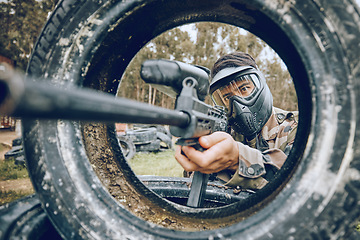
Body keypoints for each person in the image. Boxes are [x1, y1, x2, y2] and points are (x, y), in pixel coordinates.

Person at [175, 52, 298, 190]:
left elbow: (297, 182)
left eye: (244, 89)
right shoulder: (221, 132)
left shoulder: (294, 127)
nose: (237, 103)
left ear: (261, 85)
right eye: (227, 97)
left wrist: (236, 160)